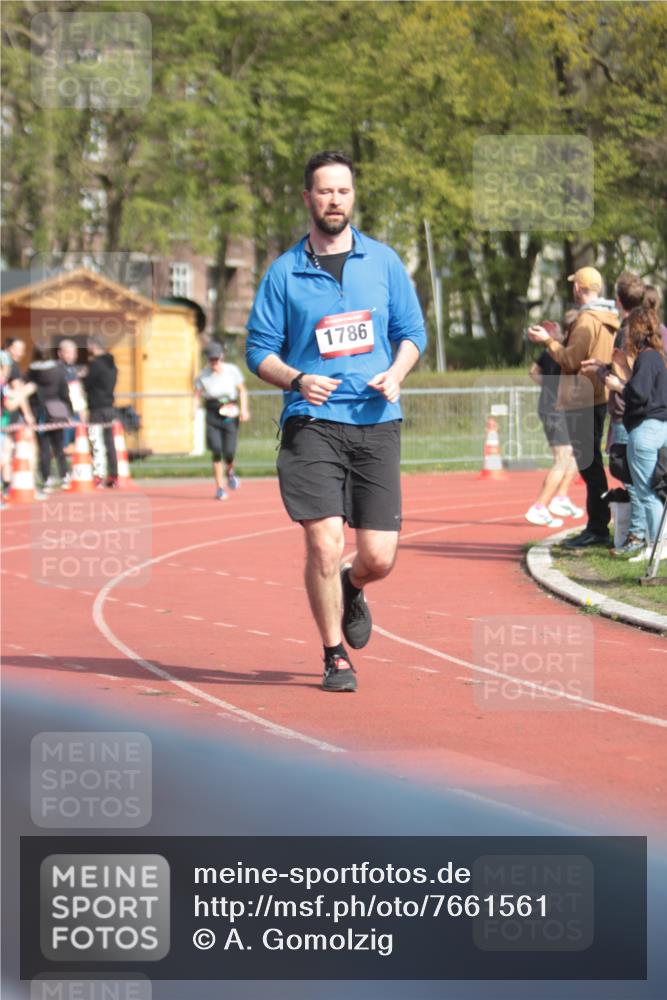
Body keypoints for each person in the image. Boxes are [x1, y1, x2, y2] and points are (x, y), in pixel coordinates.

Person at [246, 150, 427, 693]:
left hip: (376, 420)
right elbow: (258, 351)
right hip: (313, 421)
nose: (334, 200)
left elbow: (412, 333)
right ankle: (334, 656)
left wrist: (397, 372)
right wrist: (297, 379)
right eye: (324, 191)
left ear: (353, 196)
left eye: (342, 191)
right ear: (307, 198)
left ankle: (353, 585)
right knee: (324, 543)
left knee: (378, 556)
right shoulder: (284, 273)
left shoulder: (385, 263)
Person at [528, 266, 619, 548]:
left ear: (578, 288)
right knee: (591, 465)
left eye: (574, 286)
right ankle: (598, 525)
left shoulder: (586, 321)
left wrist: (548, 342)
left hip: (581, 398)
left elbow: (569, 360)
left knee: (589, 467)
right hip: (598, 395)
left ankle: (597, 528)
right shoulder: (610, 318)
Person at [581, 271, 647, 555]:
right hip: (640, 408)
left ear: (618, 299)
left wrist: (600, 370)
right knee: (638, 474)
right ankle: (640, 535)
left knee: (630, 475)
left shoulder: (628, 330)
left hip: (625, 409)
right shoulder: (649, 327)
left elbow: (626, 371)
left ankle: (637, 536)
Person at [604, 305, 667, 562]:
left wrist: (618, 384)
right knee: (655, 490)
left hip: (645, 429)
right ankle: (657, 545)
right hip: (659, 427)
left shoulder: (647, 357)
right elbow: (646, 390)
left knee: (646, 492)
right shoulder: (658, 357)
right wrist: (625, 372)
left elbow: (638, 394)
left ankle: (657, 547)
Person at [525, 312, 583, 527]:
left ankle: (561, 497)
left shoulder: (552, 352)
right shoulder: (563, 352)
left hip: (556, 408)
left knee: (574, 455)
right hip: (554, 410)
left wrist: (547, 385)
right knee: (562, 458)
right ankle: (539, 506)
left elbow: (533, 372)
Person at [193, 342, 250, 500]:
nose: (215, 363)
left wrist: (244, 410)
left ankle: (230, 472)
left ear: (222, 357)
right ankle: (219, 487)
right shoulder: (203, 375)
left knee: (229, 451)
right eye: (211, 360)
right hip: (212, 414)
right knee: (216, 450)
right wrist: (193, 411)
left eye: (217, 359)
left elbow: (242, 390)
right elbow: (197, 394)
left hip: (229, 413)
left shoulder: (232, 371)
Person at [27, 346, 73, 491]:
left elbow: (27, 391)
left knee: (44, 447)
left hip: (39, 413)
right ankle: (64, 476)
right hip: (57, 412)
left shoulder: (31, 372)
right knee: (59, 446)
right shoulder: (58, 372)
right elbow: (64, 393)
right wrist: (69, 412)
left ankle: (46, 478)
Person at [83, 335, 118, 488]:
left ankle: (98, 475)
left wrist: (83, 377)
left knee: (96, 441)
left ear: (94, 345)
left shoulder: (96, 364)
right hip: (109, 406)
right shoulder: (111, 364)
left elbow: (87, 383)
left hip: (97, 407)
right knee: (110, 442)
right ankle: (114, 475)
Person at [57, 338, 87, 453]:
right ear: (60, 353)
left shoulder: (73, 370)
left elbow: (77, 392)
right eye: (67, 353)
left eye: (73, 353)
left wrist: (82, 410)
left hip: (77, 412)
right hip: (64, 413)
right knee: (63, 447)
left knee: (79, 444)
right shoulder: (57, 370)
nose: (71, 356)